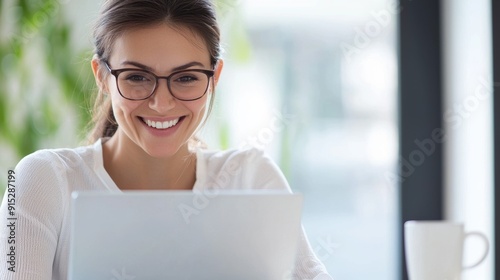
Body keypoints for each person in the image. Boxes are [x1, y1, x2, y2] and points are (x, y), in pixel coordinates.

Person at [0, 0, 332, 279]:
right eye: (137, 77)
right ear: (102, 76)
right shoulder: (39, 179)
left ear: (215, 77)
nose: (161, 103)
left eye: (186, 77)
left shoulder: (251, 178)